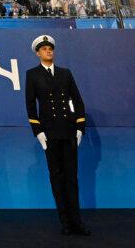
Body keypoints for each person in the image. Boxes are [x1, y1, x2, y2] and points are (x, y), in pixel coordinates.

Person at [24, 34, 90, 237]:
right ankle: (65, 222)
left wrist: (80, 127)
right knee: (56, 178)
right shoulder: (32, 74)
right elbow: (30, 105)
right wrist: (38, 132)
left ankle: (77, 221)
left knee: (72, 178)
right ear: (38, 53)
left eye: (50, 48)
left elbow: (77, 101)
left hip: (69, 131)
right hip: (50, 133)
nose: (48, 51)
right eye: (44, 49)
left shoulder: (65, 73)